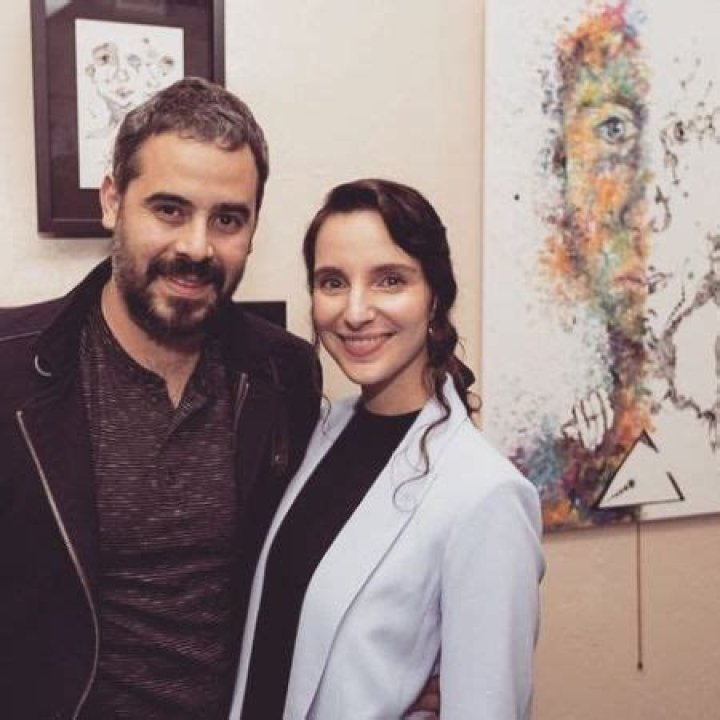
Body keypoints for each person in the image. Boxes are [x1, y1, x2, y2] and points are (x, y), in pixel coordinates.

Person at [0, 76, 321, 718]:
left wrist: (407, 660)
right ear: (113, 202)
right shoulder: (11, 368)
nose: (196, 247)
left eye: (227, 219)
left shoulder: (284, 374)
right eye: (169, 210)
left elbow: (314, 561)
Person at [230, 179, 545, 719]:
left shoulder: (487, 495)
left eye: (390, 280)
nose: (355, 311)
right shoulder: (314, 432)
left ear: (435, 296)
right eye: (333, 282)